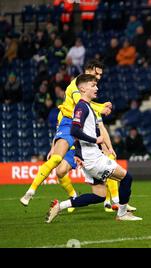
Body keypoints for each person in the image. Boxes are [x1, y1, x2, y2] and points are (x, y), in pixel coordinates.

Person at [45, 74, 142, 223]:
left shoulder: (86, 106)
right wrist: (95, 139)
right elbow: (74, 131)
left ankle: (60, 206)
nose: (96, 88)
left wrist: (78, 152)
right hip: (93, 158)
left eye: (96, 85)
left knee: (99, 195)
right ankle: (122, 214)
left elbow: (77, 134)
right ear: (82, 88)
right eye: (92, 85)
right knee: (126, 178)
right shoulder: (82, 107)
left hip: (89, 156)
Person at [20, 60, 112, 207]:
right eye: (96, 73)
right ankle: (33, 191)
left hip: (83, 133)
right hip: (70, 126)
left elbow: (98, 123)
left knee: (106, 159)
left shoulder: (90, 92)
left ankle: (114, 201)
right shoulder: (77, 85)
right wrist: (101, 107)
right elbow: (75, 105)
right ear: (88, 70)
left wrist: (108, 144)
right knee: (58, 166)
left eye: (100, 75)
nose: (99, 78)